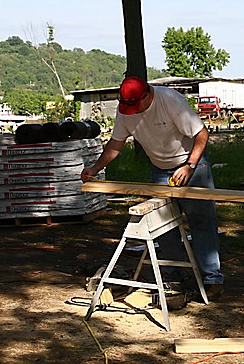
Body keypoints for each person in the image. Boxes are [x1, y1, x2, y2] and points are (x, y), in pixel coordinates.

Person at [81, 76, 223, 300]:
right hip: (160, 169)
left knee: (201, 221)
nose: (133, 110)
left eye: (136, 105)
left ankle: (211, 278)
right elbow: (116, 144)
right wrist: (96, 168)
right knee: (163, 225)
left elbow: (201, 134)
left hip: (192, 166)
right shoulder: (126, 108)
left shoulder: (170, 101)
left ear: (147, 94)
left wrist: (190, 166)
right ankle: (173, 277)